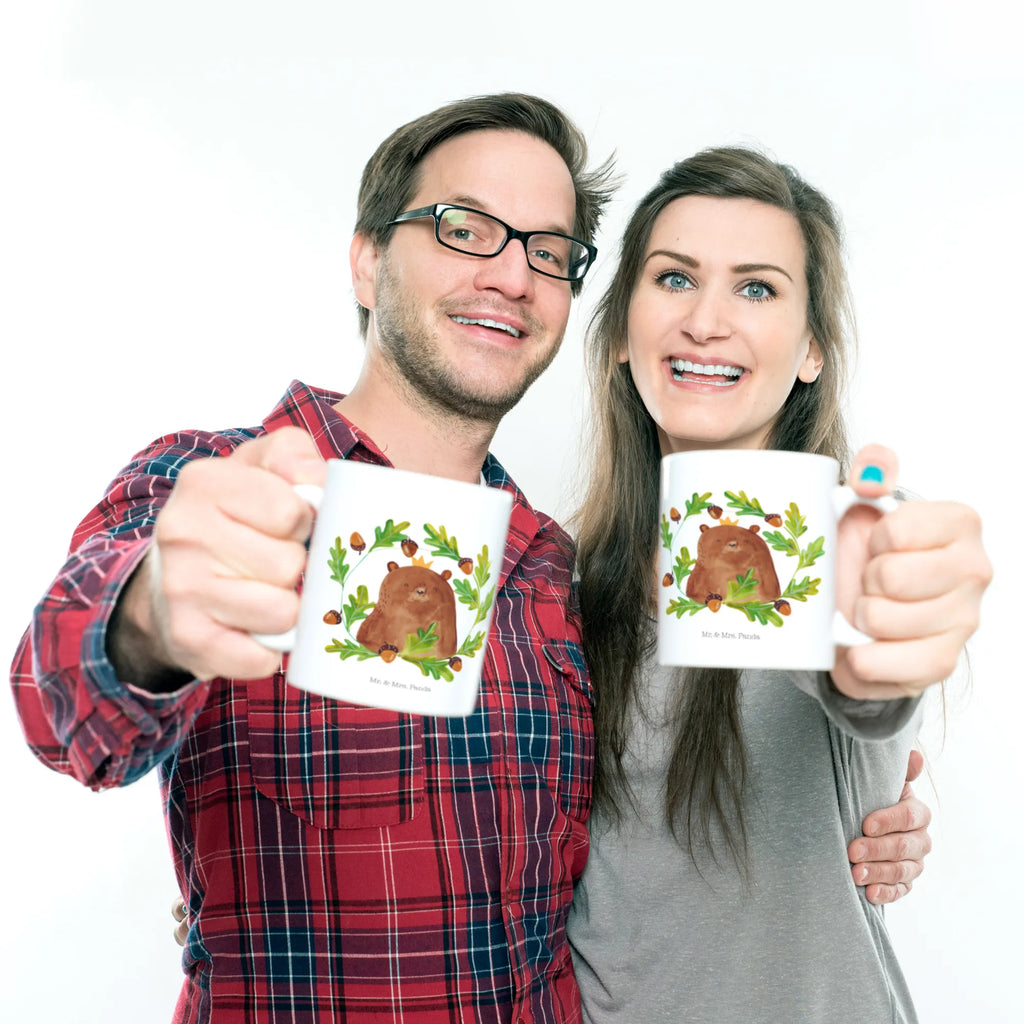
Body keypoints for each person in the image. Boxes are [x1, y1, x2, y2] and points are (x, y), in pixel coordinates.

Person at [11, 93, 936, 1024]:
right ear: (368, 260)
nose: (509, 275)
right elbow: (62, 708)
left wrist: (866, 790)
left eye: (545, 251)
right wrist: (153, 617)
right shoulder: (214, 486)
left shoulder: (552, 575)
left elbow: (811, 721)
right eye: (465, 229)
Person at [566, 146, 992, 1022]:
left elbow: (867, 682)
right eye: (675, 279)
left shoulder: (848, 543)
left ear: (810, 352)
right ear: (618, 332)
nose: (706, 322)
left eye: (756, 288)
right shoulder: (563, 582)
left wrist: (886, 642)